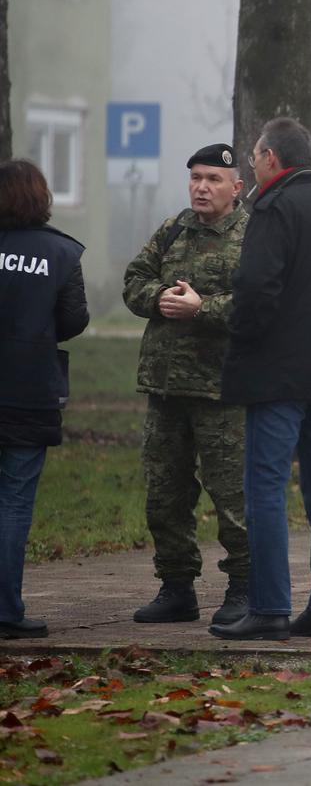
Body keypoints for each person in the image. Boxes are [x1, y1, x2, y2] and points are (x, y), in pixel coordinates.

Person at [210, 118, 311, 641]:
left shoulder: (272, 210)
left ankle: (270, 606)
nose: (250, 163)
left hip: (278, 375)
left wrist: (242, 338)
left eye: (254, 155)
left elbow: (255, 289)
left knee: (265, 490)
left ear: (272, 158)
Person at [122, 144, 251, 627]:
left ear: (235, 187)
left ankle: (243, 588)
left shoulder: (253, 235)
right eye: (196, 177)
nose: (201, 187)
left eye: (214, 179)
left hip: (223, 390)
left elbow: (260, 304)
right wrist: (159, 299)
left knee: (232, 497)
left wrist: (203, 309)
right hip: (166, 386)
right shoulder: (173, 228)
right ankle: (176, 588)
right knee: (165, 494)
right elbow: (134, 278)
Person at [0, 160, 89, 639]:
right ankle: (7, 612)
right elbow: (74, 319)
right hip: (30, 391)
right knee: (14, 503)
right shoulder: (61, 252)